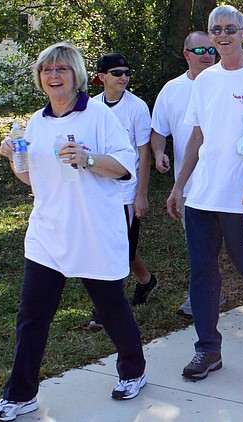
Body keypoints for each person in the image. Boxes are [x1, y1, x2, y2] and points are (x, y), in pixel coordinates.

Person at [0, 43, 146, 420]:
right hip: (48, 233)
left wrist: (89, 158)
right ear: (39, 77)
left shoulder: (98, 116)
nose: (54, 76)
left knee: (111, 307)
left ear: (76, 75)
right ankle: (21, 393)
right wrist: (14, 157)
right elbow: (32, 177)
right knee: (32, 315)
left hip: (93, 231)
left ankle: (134, 370)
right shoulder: (36, 122)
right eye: (47, 70)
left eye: (61, 69)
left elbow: (126, 166)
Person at [166, 5, 243, 381]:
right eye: (215, 29)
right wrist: (179, 184)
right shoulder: (204, 81)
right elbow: (196, 136)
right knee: (203, 273)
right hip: (202, 196)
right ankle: (207, 350)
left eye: (230, 29)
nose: (222, 35)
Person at [85, 53, 157, 332]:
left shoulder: (137, 108)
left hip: (126, 192)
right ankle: (146, 280)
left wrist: (142, 194)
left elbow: (144, 153)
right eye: (117, 72)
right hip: (99, 189)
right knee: (110, 247)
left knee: (116, 250)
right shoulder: (91, 107)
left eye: (127, 72)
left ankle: (103, 309)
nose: (124, 77)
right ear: (101, 77)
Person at [150, 31, 218, 318]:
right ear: (186, 54)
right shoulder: (171, 90)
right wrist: (158, 154)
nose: (206, 55)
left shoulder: (226, 83)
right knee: (197, 245)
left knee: (237, 247)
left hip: (225, 181)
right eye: (199, 50)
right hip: (189, 183)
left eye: (211, 50)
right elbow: (158, 131)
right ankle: (203, 295)